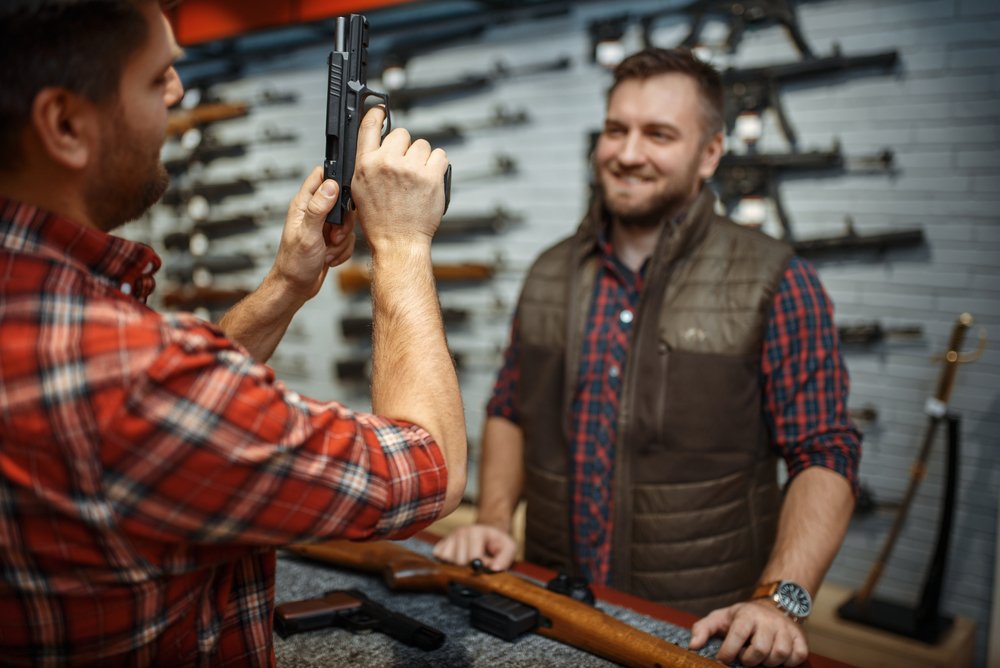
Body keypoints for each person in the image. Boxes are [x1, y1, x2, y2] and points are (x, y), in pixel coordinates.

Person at [0, 1, 466, 665]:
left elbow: (168, 433)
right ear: (66, 124)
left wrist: (284, 287)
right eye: (156, 76)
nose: (179, 92)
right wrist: (402, 241)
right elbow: (433, 474)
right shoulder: (131, 371)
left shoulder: (69, 330)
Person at [433, 47, 861, 667]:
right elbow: (510, 411)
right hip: (552, 614)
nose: (628, 153)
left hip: (699, 628)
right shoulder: (550, 272)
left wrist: (777, 601)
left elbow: (824, 452)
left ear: (710, 153)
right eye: (616, 130)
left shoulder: (776, 282)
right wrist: (495, 521)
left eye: (658, 134)